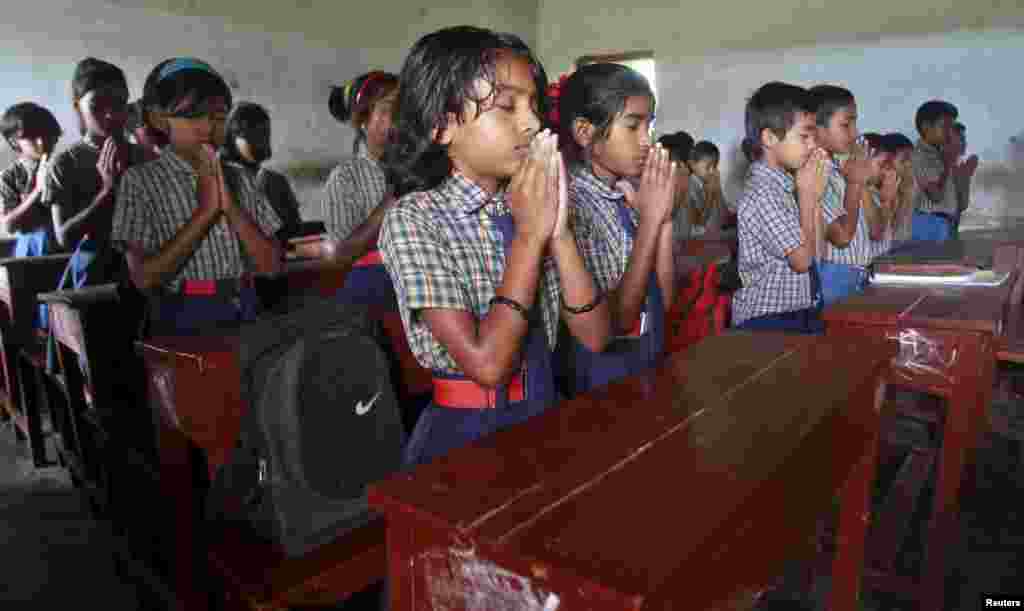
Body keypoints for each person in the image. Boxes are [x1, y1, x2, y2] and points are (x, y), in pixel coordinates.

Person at [379, 26, 611, 465]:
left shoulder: (529, 205)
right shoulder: (416, 218)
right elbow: (488, 367)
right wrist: (529, 236)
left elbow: (595, 337)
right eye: (507, 106)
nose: (532, 122)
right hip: (470, 438)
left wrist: (557, 232)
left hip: (545, 415)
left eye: (533, 105)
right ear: (442, 124)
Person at [110, 57, 282, 335]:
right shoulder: (140, 182)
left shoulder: (241, 178)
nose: (207, 127)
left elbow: (272, 266)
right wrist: (205, 214)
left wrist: (229, 206)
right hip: (181, 319)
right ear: (158, 118)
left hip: (246, 311)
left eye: (219, 116)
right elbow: (143, 278)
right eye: (192, 115)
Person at [555, 62, 677, 396]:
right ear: (584, 132)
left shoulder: (627, 194)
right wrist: (651, 221)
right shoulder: (574, 204)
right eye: (632, 126)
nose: (646, 140)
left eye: (648, 126)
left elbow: (664, 301)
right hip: (603, 378)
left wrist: (662, 219)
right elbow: (620, 320)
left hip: (648, 358)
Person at [731, 82, 828, 333]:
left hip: (796, 310)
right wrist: (807, 197)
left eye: (814, 137)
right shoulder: (764, 192)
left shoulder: (785, 185)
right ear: (770, 138)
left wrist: (813, 197)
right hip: (767, 319)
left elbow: (818, 254)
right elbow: (802, 261)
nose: (812, 146)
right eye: (804, 136)